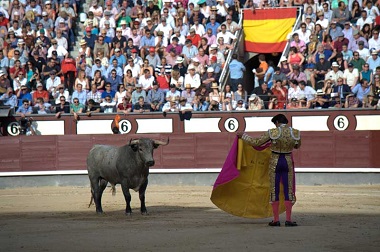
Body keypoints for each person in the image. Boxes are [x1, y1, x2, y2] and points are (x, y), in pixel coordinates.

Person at [237, 114, 301, 227]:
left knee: (274, 189)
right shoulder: (295, 132)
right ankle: (289, 220)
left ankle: (276, 220)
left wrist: (244, 136)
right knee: (288, 189)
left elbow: (256, 142)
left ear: (277, 122)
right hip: (287, 161)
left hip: (275, 162)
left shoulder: (273, 132)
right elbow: (297, 146)